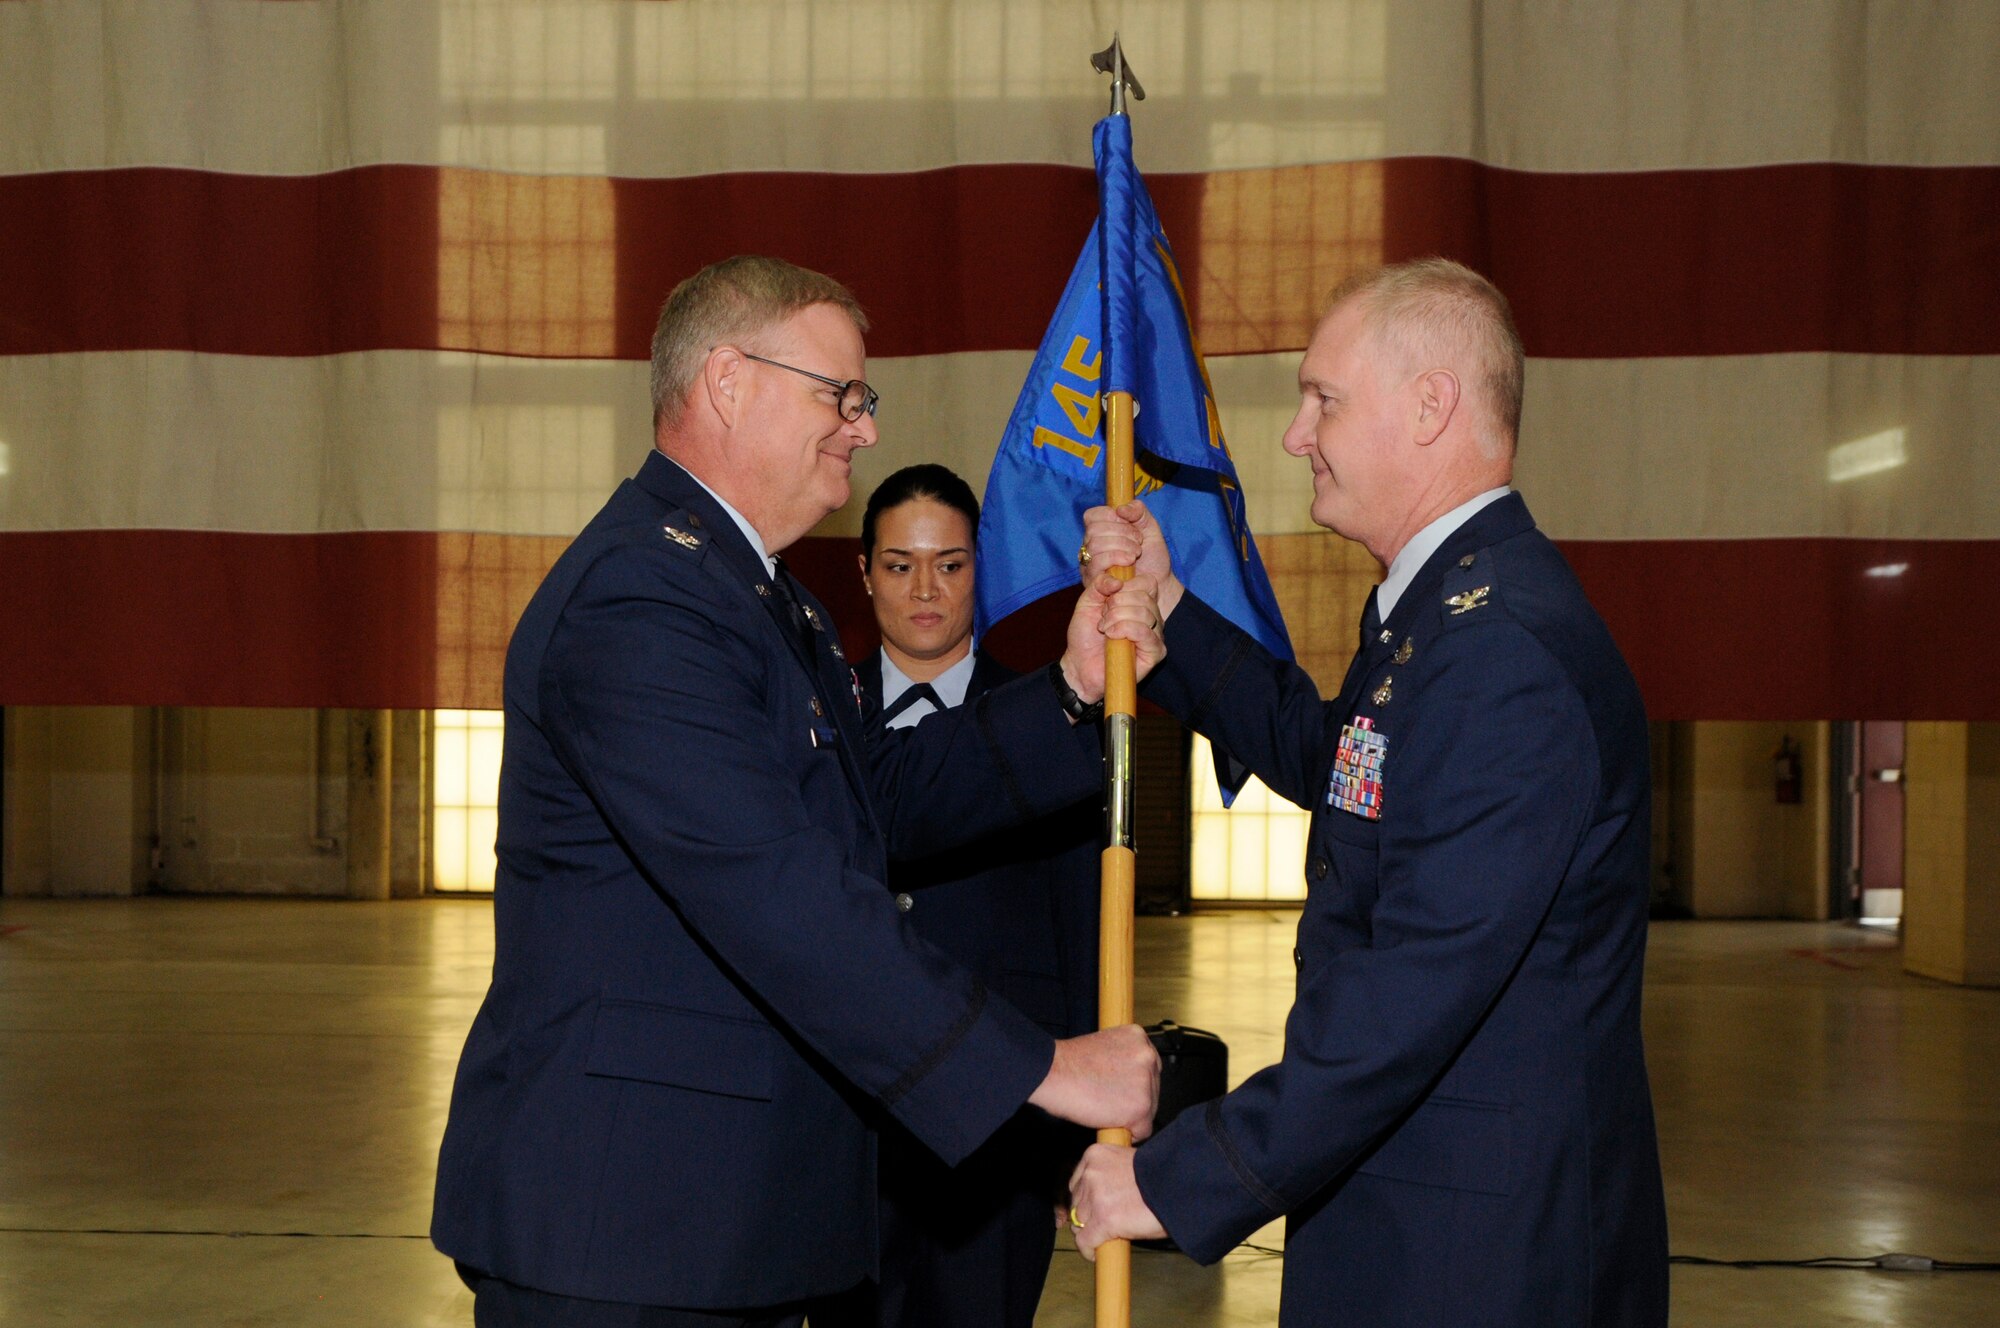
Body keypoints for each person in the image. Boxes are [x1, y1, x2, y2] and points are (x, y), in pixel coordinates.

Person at [430, 255, 1165, 1327]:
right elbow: (779, 890)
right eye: (842, 395)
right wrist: (1041, 1068)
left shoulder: (760, 597)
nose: (863, 428)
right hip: (628, 1229)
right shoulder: (642, 599)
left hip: (725, 1222)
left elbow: (875, 796)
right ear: (728, 381)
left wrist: (1066, 689)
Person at [1069, 258, 1670, 1326]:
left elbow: (1411, 994)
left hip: (1479, 1256)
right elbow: (1341, 759)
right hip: (1419, 1215)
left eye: (1322, 399)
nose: (1297, 434)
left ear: (1429, 405)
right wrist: (1167, 618)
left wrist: (1179, 1174)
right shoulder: (1446, 614)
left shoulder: (1501, 656)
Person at [814, 464, 1101, 1328]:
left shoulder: (1048, 719)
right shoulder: (817, 720)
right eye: (900, 565)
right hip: (847, 1131)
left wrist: (1070, 1140)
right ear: (864, 573)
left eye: (951, 564)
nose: (925, 589)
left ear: (984, 568)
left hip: (998, 1135)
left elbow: (1078, 934)